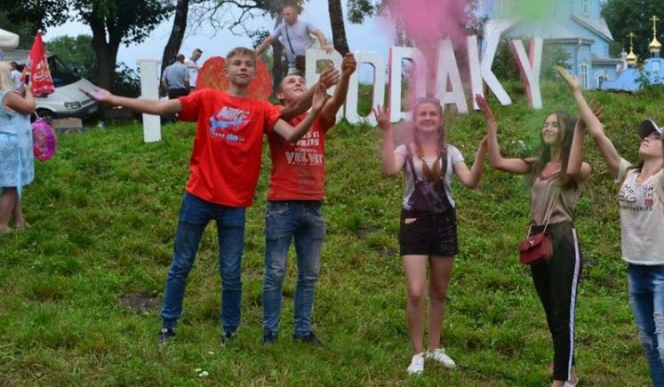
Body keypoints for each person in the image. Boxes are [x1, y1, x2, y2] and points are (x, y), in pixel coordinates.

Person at [84, 47, 338, 345]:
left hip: (234, 205)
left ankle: (229, 331)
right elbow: (162, 107)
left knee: (231, 273)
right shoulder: (207, 98)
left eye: (248, 65)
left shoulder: (262, 110)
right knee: (181, 265)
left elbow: (292, 134)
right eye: (237, 64)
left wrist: (317, 107)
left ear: (255, 74)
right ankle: (168, 326)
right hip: (198, 197)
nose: (243, 68)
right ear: (226, 72)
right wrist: (114, 99)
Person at [558, 63, 664, 387]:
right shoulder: (628, 174)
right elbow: (598, 133)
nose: (647, 139)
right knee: (651, 348)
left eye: (653, 136)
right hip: (636, 270)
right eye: (646, 135)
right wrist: (576, 91)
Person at [476, 94, 590, 387]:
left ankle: (560, 380)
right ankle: (570, 374)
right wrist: (491, 123)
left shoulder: (578, 167)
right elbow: (499, 162)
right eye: (545, 124)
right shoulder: (538, 164)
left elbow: (575, 169)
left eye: (554, 124)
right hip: (538, 236)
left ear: (566, 131)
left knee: (564, 311)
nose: (547, 127)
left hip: (563, 237)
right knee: (551, 309)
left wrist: (580, 131)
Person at [374, 98, 487, 375]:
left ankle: (435, 348)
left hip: (444, 224)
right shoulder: (405, 149)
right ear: (415, 119)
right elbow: (389, 169)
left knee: (439, 290)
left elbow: (470, 182)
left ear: (440, 119)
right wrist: (387, 131)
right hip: (414, 223)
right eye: (422, 113)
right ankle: (417, 353)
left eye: (432, 113)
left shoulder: (452, 152)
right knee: (415, 291)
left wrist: (483, 150)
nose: (426, 117)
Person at [261, 53, 357, 346]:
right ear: (280, 94)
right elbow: (295, 111)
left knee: (309, 275)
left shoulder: (318, 115)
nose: (298, 83)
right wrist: (318, 88)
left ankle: (302, 332)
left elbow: (335, 103)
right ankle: (270, 332)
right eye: (292, 81)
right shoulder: (275, 113)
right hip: (282, 206)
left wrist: (347, 76)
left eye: (301, 80)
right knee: (275, 273)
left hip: (313, 206)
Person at [0, 62, 35, 233]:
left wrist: (20, 94)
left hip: (2, 139)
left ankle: (19, 221)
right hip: (10, 143)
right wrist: (28, 91)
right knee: (11, 186)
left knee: (13, 183)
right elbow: (29, 108)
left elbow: (12, 105)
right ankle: (2, 225)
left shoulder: (6, 96)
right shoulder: (6, 94)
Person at [255, 4, 333, 74]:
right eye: (284, 15)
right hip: (293, 65)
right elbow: (268, 40)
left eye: (288, 14)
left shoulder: (305, 24)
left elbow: (319, 33)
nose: (285, 17)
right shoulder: (282, 27)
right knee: (291, 85)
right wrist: (256, 53)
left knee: (310, 85)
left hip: (308, 62)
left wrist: (323, 45)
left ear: (295, 14)